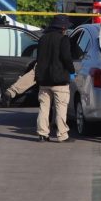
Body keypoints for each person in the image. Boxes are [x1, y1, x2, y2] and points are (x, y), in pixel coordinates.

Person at [34, 14, 75, 143]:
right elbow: (66, 58)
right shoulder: (64, 39)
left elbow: (39, 58)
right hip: (60, 80)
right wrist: (72, 70)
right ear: (63, 27)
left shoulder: (43, 39)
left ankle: (42, 134)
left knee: (44, 108)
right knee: (61, 108)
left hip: (44, 80)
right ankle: (62, 135)